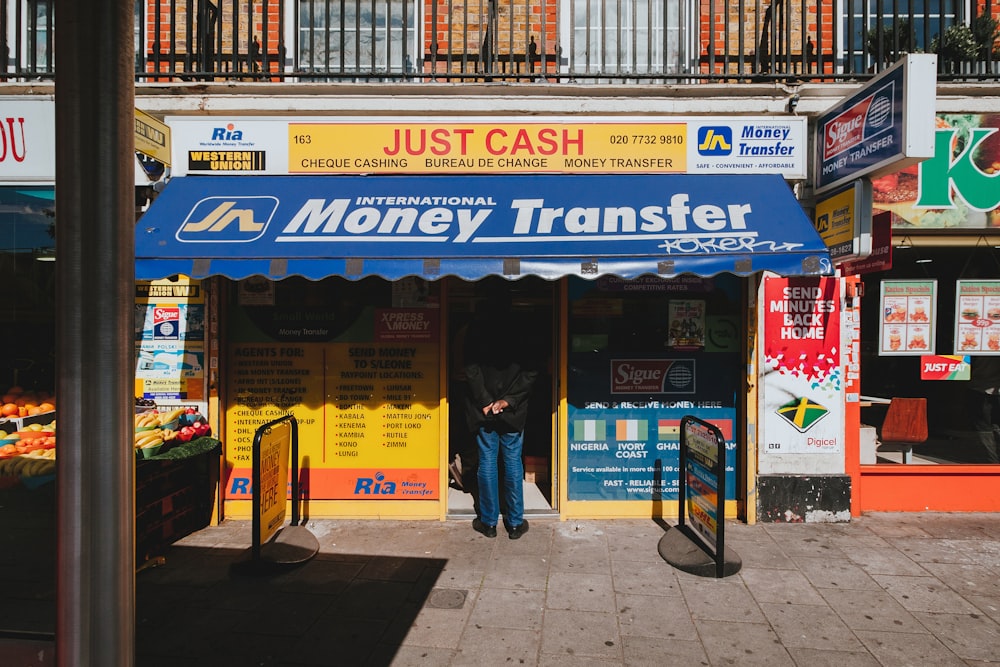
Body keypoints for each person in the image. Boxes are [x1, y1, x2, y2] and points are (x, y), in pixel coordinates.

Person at [462, 284, 538, 539]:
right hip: (512, 411)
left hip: (483, 409)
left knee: (487, 462)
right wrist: (507, 401)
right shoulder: (525, 328)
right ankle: (515, 523)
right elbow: (531, 371)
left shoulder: (477, 327)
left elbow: (470, 368)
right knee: (512, 462)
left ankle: (489, 522)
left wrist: (485, 400)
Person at [967, 356, 1000, 464]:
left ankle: (992, 461)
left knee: (985, 427)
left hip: (980, 385)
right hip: (980, 386)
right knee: (985, 427)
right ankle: (992, 461)